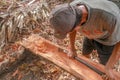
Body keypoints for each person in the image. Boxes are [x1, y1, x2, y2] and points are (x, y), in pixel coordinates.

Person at [49, 0, 120, 79]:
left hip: (107, 41)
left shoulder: (110, 17)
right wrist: (72, 48)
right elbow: (71, 30)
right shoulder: (71, 11)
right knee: (85, 54)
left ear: (79, 23)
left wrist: (109, 67)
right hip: (90, 34)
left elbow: (119, 42)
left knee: (104, 68)